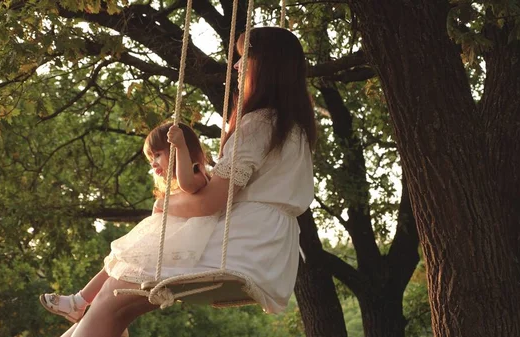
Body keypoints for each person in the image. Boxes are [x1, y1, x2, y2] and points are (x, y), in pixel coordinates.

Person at [61, 26, 317, 337]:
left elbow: (210, 202)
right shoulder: (295, 129)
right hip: (270, 247)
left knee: (110, 295)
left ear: (269, 64)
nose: (235, 66)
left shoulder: (259, 123)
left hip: (243, 241)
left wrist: (163, 204)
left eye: (244, 57)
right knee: (119, 303)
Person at [40, 122, 215, 326]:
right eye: (151, 159)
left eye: (157, 154)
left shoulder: (197, 173)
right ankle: (79, 301)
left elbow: (187, 184)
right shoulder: (177, 189)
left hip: (180, 245)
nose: (153, 163)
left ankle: (79, 302)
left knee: (121, 262)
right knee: (116, 260)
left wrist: (181, 146)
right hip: (168, 241)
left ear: (177, 149)